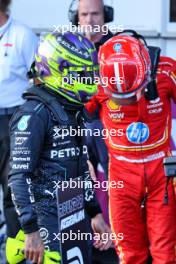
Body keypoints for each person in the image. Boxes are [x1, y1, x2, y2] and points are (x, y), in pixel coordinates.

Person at [8, 31, 112, 264]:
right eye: (82, 74)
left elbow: (82, 166)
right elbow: (18, 177)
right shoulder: (33, 114)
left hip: (73, 218)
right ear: (60, 70)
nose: (89, 80)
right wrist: (31, 231)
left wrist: (95, 212)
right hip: (45, 227)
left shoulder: (72, 110)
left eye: (90, 74)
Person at [85, 32, 176, 263]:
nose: (132, 100)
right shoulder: (93, 78)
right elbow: (73, 118)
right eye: (120, 96)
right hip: (120, 176)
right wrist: (83, 157)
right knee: (129, 254)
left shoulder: (166, 70)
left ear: (147, 69)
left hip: (161, 174)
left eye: (135, 91)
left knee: (166, 253)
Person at [0, 0, 38, 238]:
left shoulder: (23, 35)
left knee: (14, 192)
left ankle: (18, 254)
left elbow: (39, 81)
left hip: (13, 119)